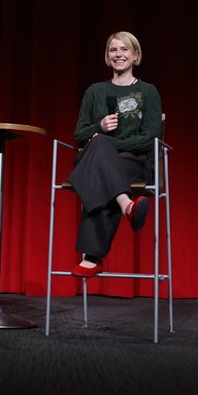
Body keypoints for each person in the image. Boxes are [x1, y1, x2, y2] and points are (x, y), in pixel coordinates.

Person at [67, 31, 163, 278]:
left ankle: (91, 256)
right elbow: (79, 135)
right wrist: (100, 127)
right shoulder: (95, 91)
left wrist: (109, 143)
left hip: (134, 161)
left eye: (124, 49)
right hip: (97, 159)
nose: (118, 55)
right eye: (113, 50)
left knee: (100, 158)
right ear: (107, 56)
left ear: (135, 55)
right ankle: (126, 205)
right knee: (100, 150)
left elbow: (151, 137)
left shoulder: (148, 91)